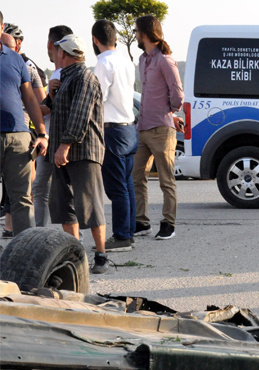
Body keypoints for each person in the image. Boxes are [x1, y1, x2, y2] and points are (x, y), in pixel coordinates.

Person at [45, 34, 109, 274]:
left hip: (82, 151)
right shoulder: (65, 79)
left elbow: (79, 115)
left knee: (89, 205)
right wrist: (51, 96)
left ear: (64, 53)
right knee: (64, 206)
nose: (55, 55)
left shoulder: (84, 77)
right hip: (63, 151)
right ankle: (76, 254)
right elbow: (53, 110)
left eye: (57, 51)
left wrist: (64, 146)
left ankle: (101, 255)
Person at [132, 15, 184, 240]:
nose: (134, 34)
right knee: (136, 177)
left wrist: (168, 113)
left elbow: (178, 96)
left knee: (166, 179)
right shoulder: (143, 60)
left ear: (145, 33)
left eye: (136, 31)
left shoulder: (165, 60)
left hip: (162, 130)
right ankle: (141, 222)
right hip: (142, 128)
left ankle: (168, 223)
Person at [0, 12, 49, 236]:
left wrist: (41, 132)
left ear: (1, 27)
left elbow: (30, 98)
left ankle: (25, 254)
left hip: (18, 137)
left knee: (22, 198)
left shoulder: (15, 59)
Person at [92, 19, 137, 251]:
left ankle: (121, 237)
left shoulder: (103, 63)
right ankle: (128, 232)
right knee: (127, 184)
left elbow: (98, 98)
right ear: (116, 38)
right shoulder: (126, 61)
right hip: (129, 126)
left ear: (95, 40)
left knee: (117, 187)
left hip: (113, 130)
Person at [34, 25, 73, 228]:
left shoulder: (60, 75)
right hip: (59, 139)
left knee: (43, 189)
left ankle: (42, 232)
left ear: (51, 45)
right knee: (54, 189)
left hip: (54, 140)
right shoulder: (68, 73)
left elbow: (51, 108)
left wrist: (35, 107)